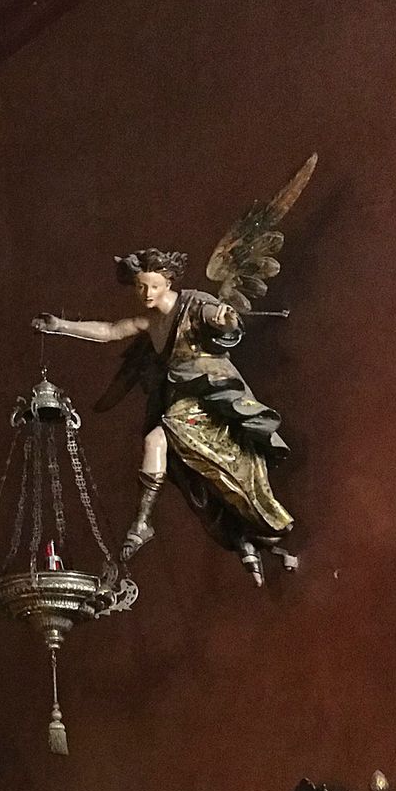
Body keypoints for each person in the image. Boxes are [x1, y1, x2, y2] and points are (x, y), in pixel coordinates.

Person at [33, 248, 295, 584]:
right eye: (140, 287)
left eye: (152, 286)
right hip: (177, 400)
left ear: (167, 282)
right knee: (159, 445)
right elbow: (110, 330)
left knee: (164, 432)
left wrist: (226, 320)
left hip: (208, 395)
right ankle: (143, 523)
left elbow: (225, 322)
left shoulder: (194, 303)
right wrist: (59, 326)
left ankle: (148, 522)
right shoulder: (149, 321)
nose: (146, 293)